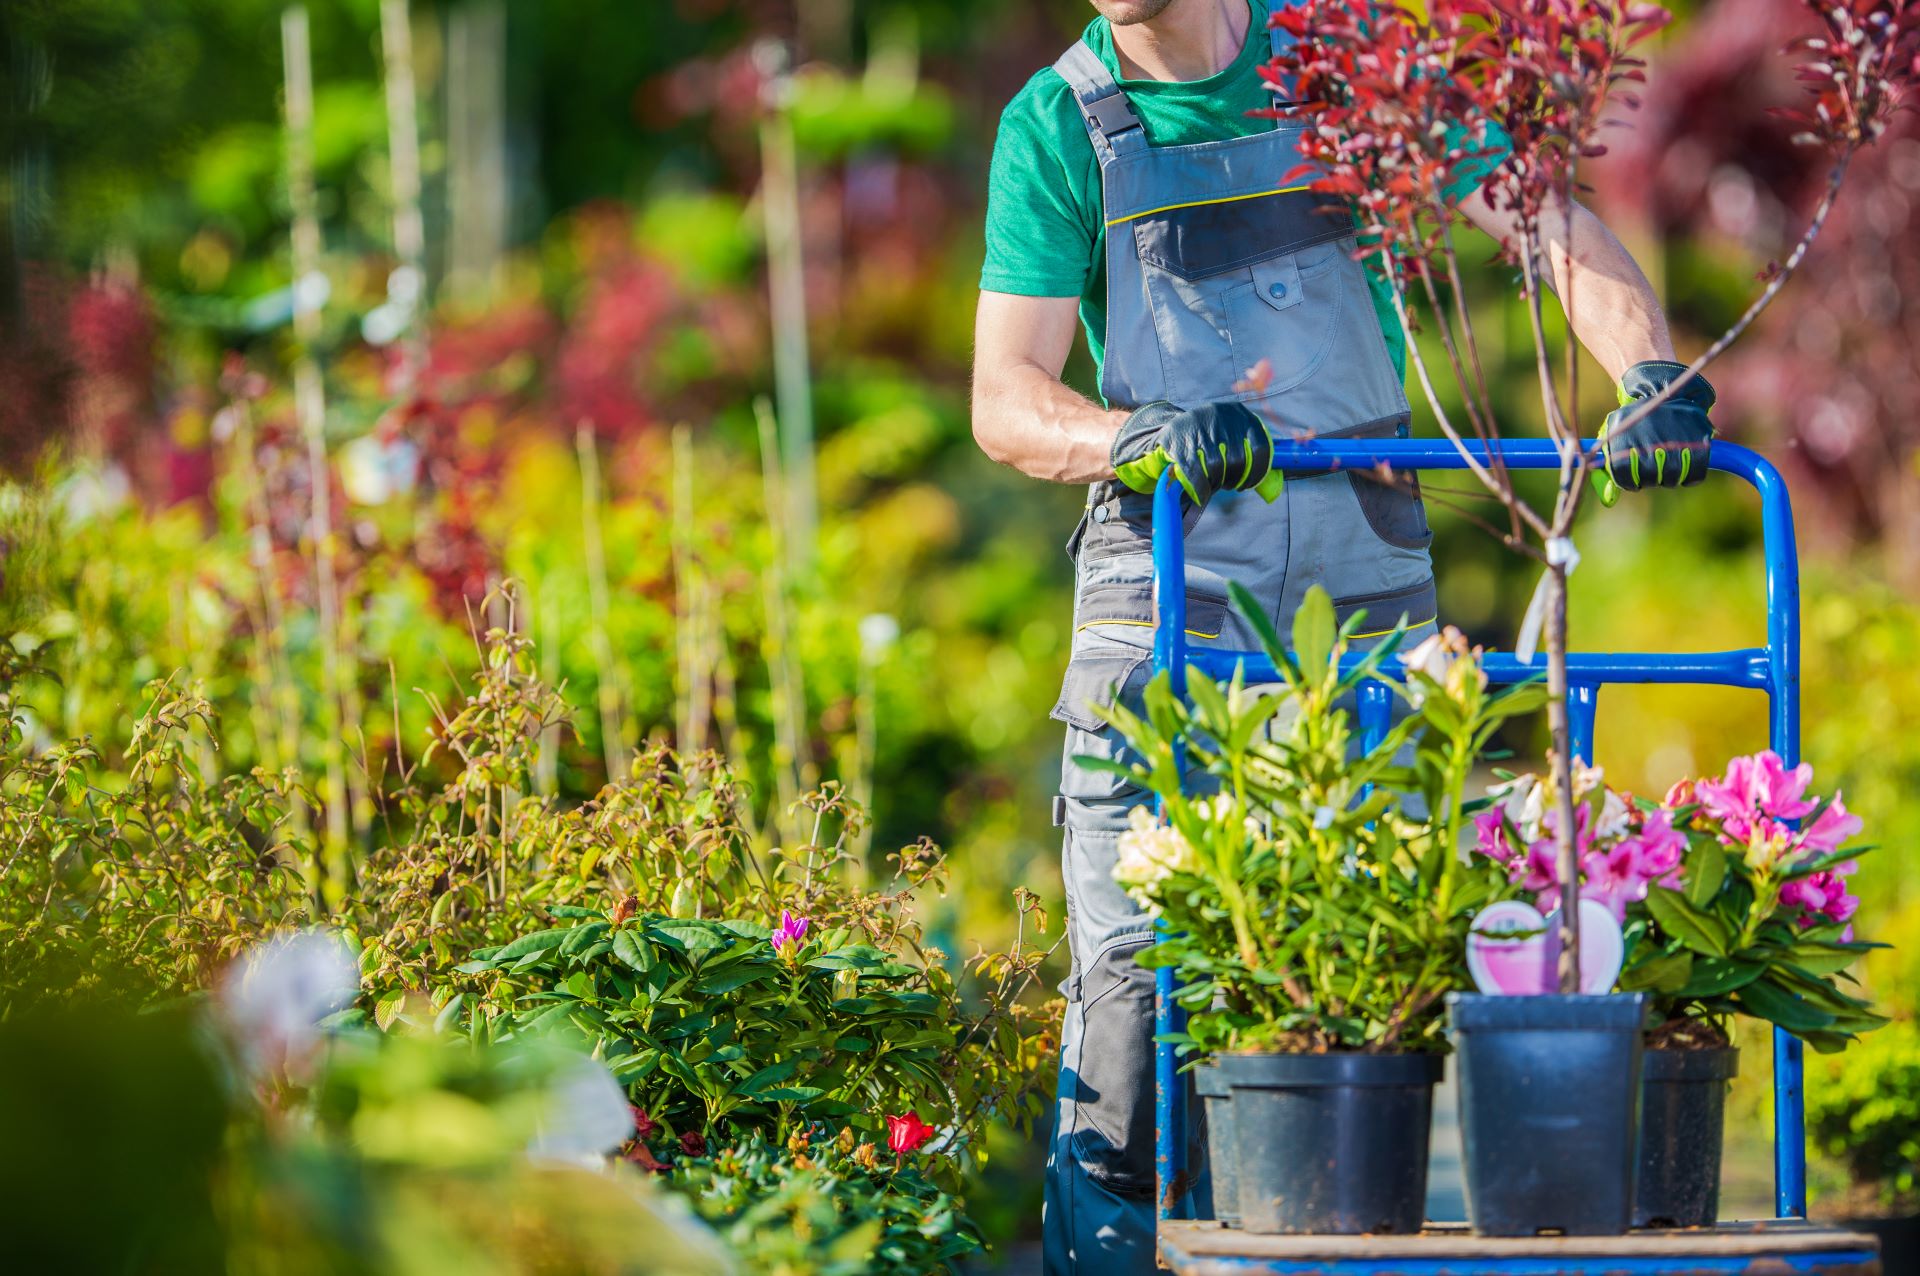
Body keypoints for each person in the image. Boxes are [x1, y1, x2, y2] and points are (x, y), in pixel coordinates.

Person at [967, 1, 1719, 1273]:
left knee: (1364, 1000)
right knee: (1138, 1021)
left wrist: (1649, 375)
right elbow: (1005, 398)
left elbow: (1540, 218)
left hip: (1363, 605)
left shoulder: (1336, 62)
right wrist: (1132, 435)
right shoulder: (1058, 127)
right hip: (1167, 607)